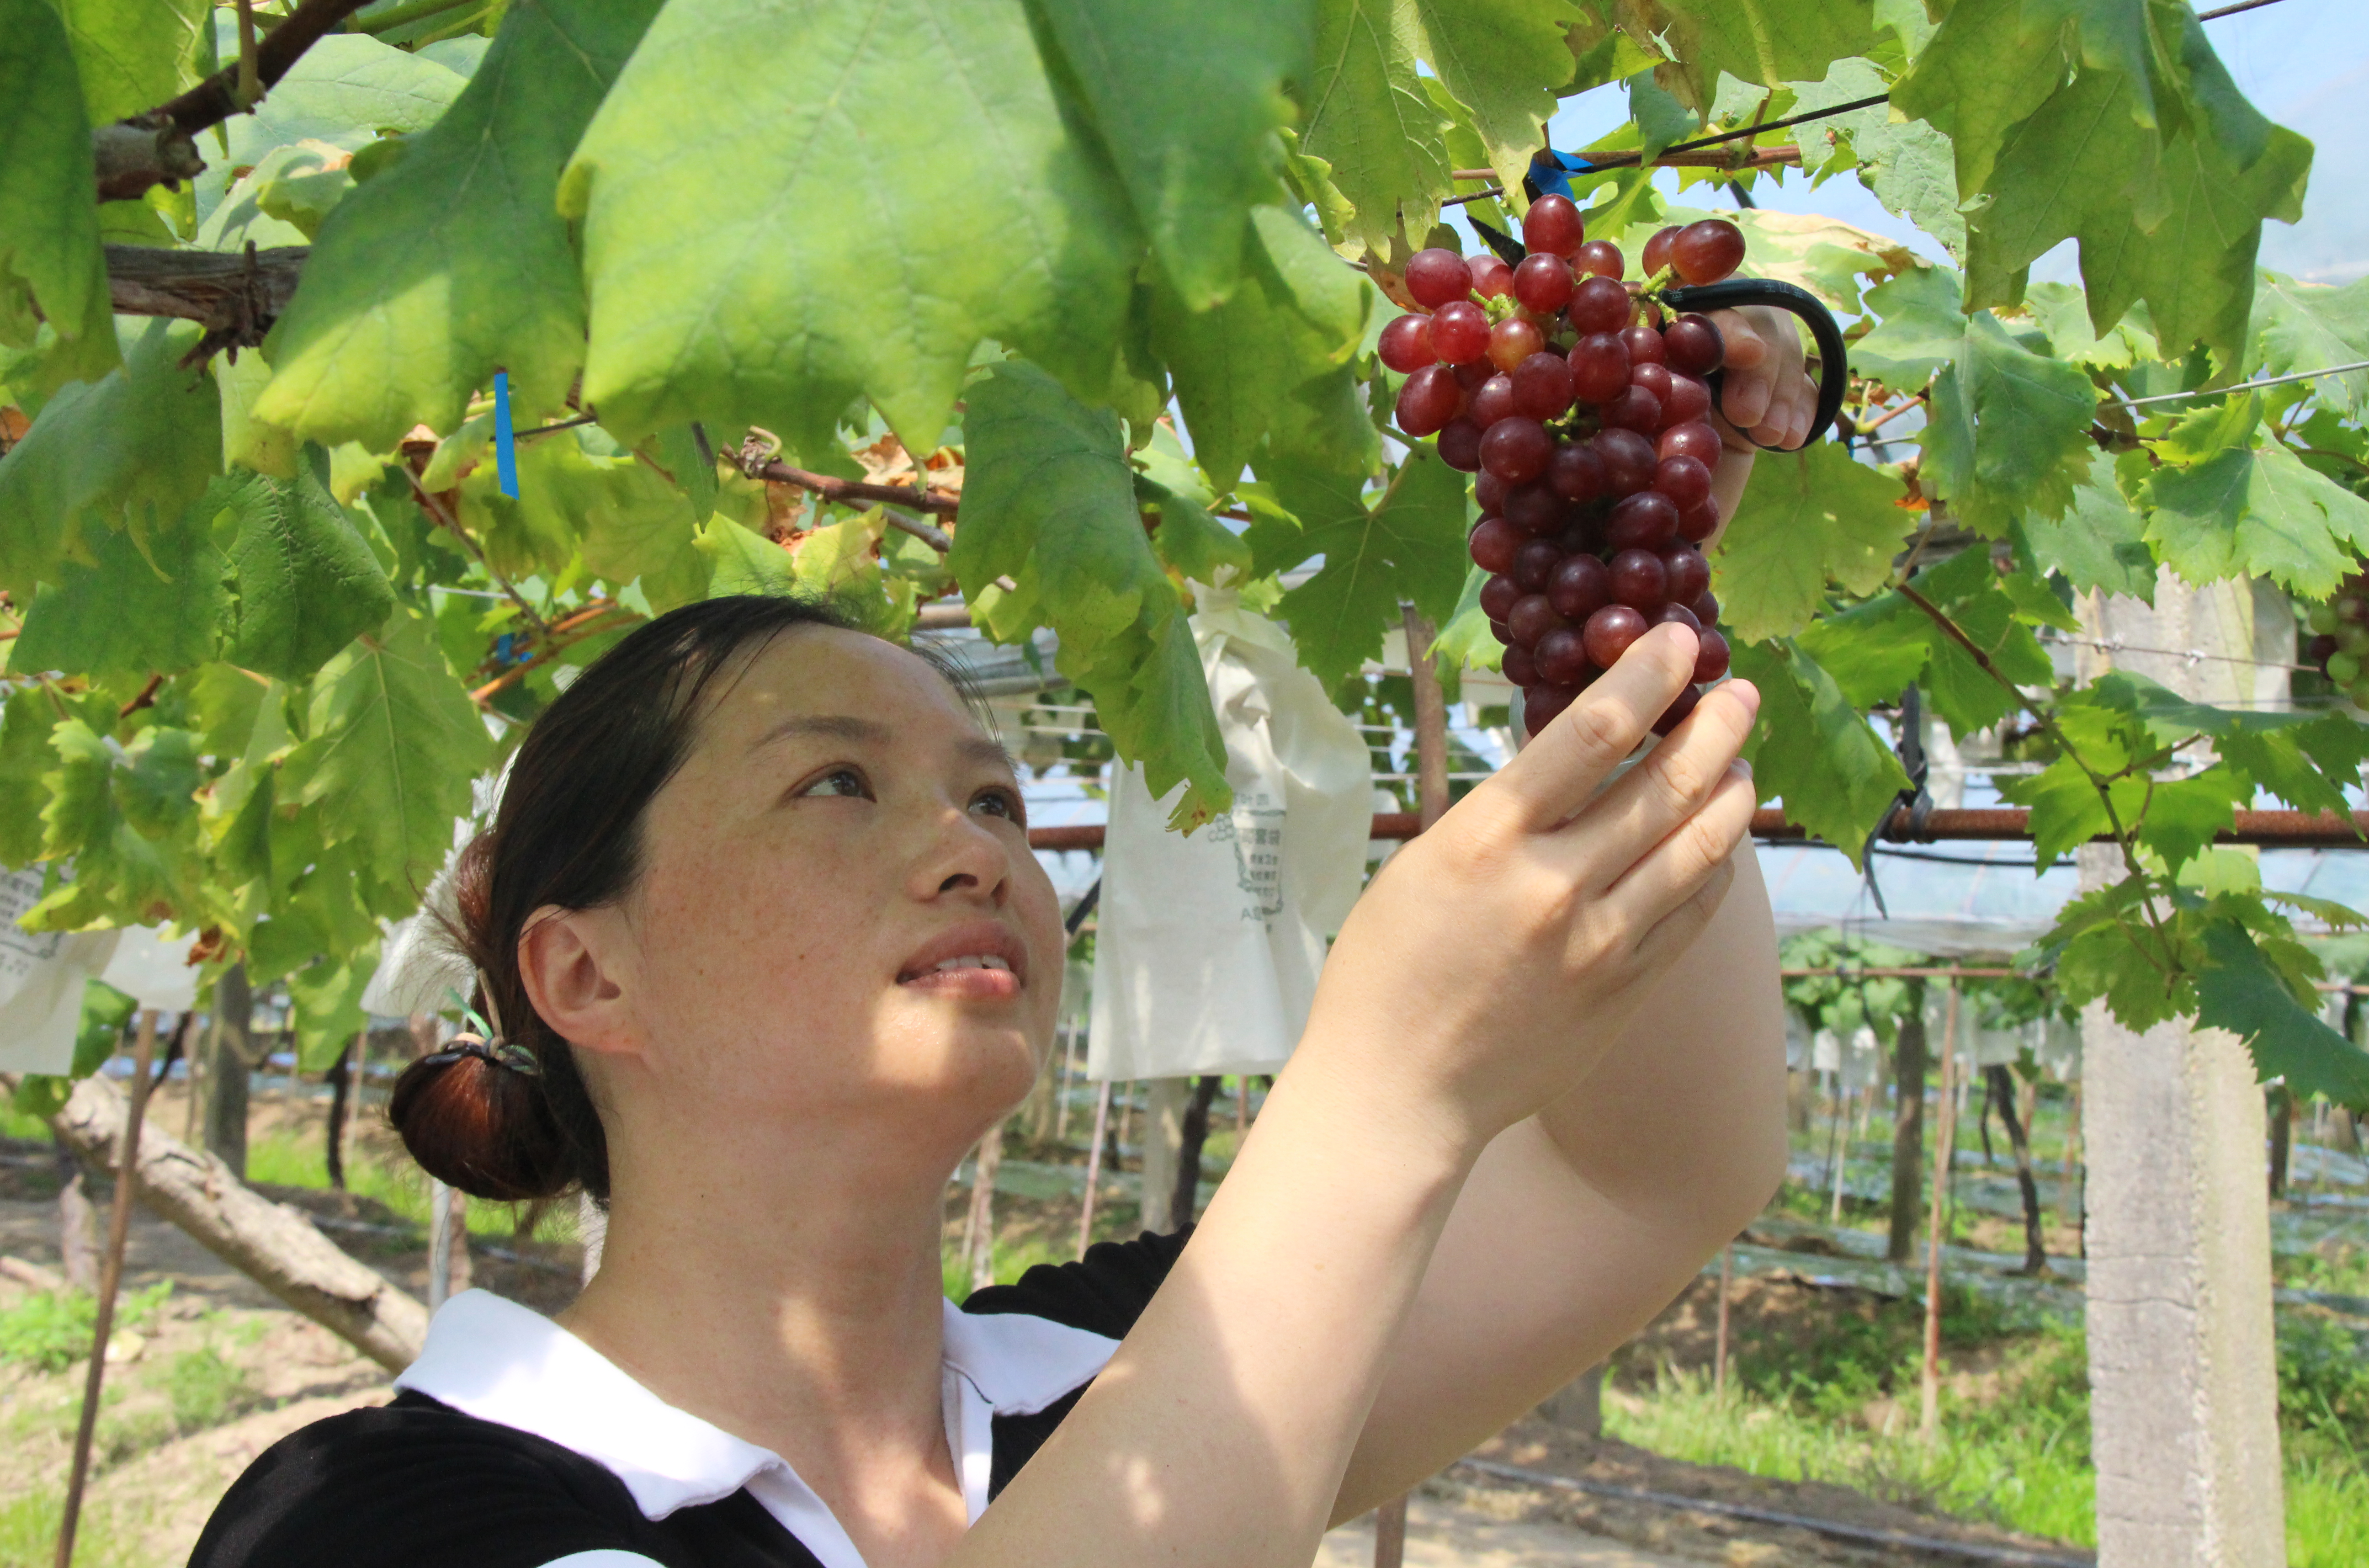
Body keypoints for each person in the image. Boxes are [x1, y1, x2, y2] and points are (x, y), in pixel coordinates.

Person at [190, 308, 1812, 1568]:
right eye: (838, 783)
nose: (971, 846)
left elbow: (1646, 1176)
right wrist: (1381, 1091)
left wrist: (1617, 578)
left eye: (997, 802)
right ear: (586, 972)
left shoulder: (1113, 1373)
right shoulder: (366, 1521)